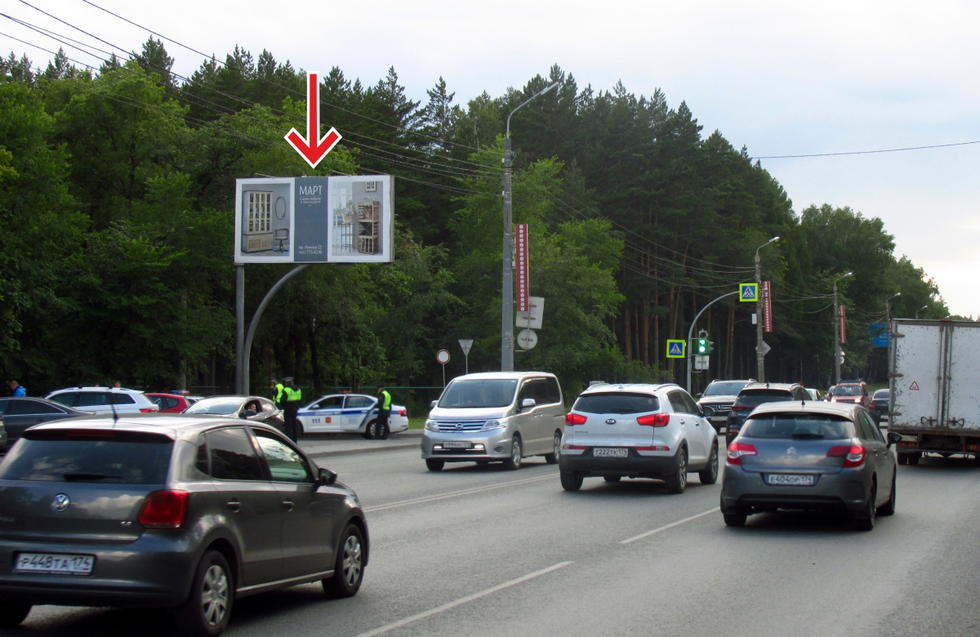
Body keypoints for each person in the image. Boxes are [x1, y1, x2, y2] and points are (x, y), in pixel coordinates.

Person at [281, 377, 303, 442]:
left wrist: (283, 407)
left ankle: (289, 441)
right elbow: (299, 399)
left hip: (288, 409)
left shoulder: (286, 389)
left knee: (288, 426)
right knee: (294, 425)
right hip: (295, 408)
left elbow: (282, 400)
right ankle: (294, 441)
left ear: (287, 383)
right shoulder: (298, 389)